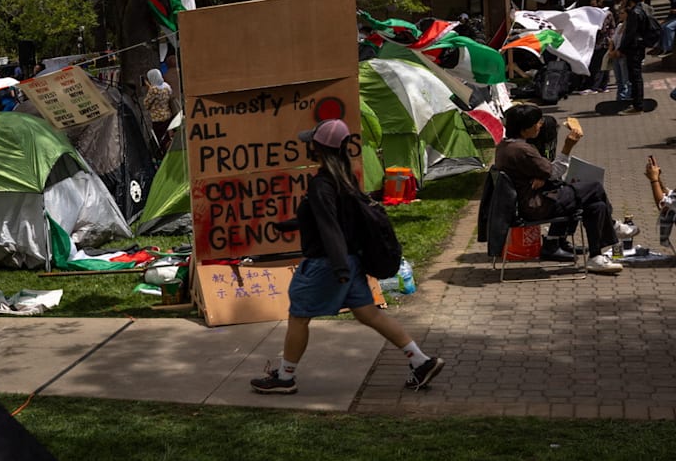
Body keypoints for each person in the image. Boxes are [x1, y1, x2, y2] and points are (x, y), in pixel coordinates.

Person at [250, 119, 446, 395]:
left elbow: (330, 227)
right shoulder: (345, 178)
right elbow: (337, 219)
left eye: (310, 142)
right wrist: (293, 224)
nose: (307, 146)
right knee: (368, 313)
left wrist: (339, 268)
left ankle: (285, 377)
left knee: (298, 317)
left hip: (327, 264)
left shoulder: (321, 185)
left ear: (318, 148)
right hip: (351, 261)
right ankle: (420, 361)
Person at [493, 104, 622, 274]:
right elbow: (554, 172)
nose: (541, 125)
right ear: (524, 129)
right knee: (595, 188)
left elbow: (537, 171)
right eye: (537, 122)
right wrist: (568, 146)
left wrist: (541, 176)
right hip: (536, 206)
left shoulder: (505, 146)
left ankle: (596, 256)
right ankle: (614, 226)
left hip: (526, 202)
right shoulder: (522, 150)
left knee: (597, 206)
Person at [616, 0, 655, 112]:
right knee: (634, 77)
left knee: (635, 77)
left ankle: (637, 106)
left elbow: (630, 34)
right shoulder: (638, 10)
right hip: (637, 47)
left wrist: (621, 49)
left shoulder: (635, 12)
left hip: (634, 48)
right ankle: (635, 103)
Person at [143, 68, 174, 152]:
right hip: (168, 115)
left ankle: (164, 153)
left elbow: (146, 104)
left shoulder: (153, 90)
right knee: (167, 137)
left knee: (160, 139)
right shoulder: (166, 86)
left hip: (157, 119)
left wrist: (149, 88)